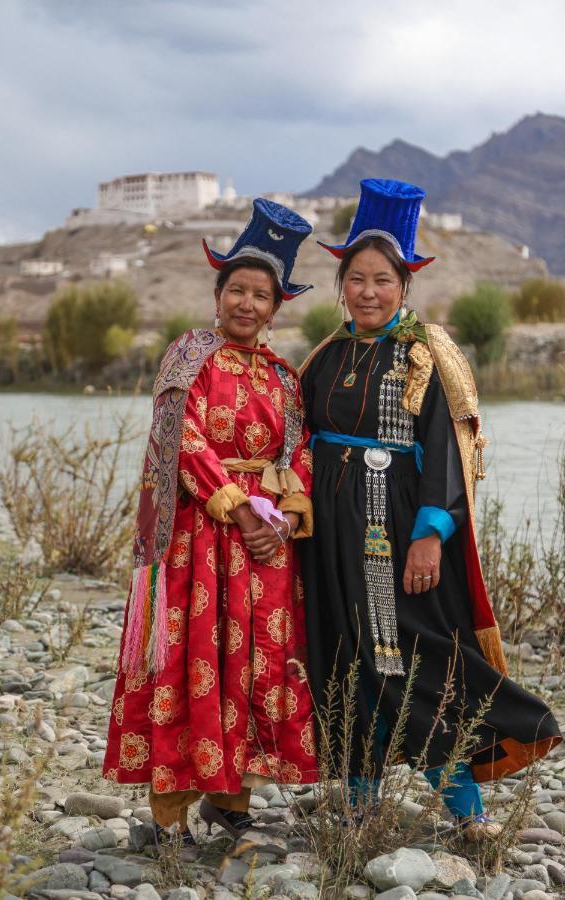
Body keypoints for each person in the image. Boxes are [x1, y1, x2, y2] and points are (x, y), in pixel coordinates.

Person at [300, 178, 562, 839]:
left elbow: (449, 452)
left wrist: (430, 536)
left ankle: (466, 807)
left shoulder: (427, 355)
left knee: (411, 658)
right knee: (345, 657)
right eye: (355, 278)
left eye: (381, 279)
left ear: (404, 285)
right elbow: (296, 444)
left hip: (394, 537)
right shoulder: (325, 358)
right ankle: (357, 806)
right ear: (340, 283)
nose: (367, 291)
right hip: (329, 540)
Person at [103, 199, 318, 851]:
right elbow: (180, 439)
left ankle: (233, 802)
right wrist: (236, 503)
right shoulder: (189, 357)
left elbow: (298, 453)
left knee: (250, 666)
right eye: (237, 290)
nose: (248, 304)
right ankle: (169, 812)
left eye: (262, 295)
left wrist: (279, 518)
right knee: (188, 661)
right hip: (198, 538)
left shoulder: (284, 378)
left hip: (264, 548)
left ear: (276, 308)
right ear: (217, 293)